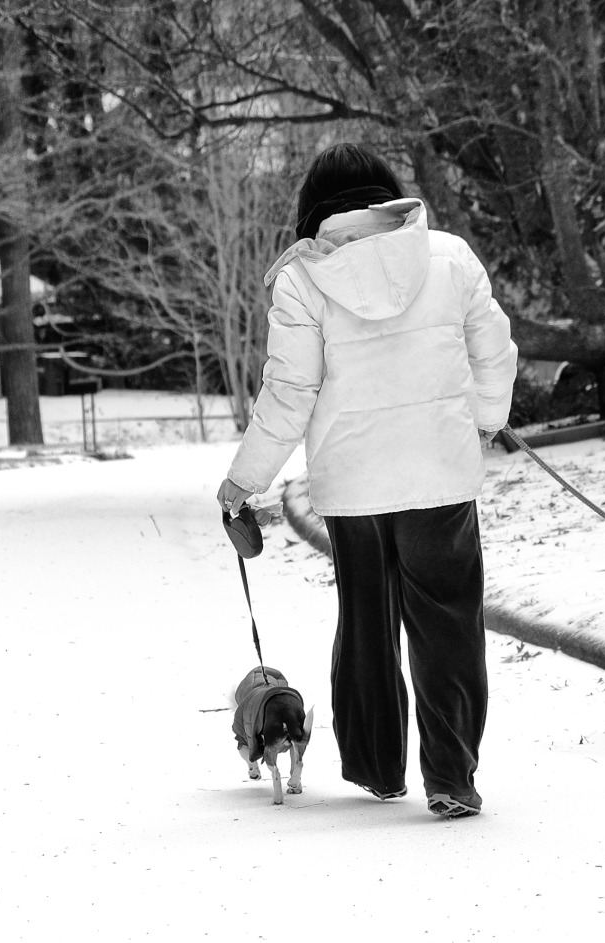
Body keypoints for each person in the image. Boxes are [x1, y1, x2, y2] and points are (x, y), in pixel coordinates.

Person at [216, 142, 517, 818]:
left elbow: (288, 393)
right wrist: (488, 420)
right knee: (447, 626)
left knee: (368, 623)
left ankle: (381, 767)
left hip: (353, 489)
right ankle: (451, 775)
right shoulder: (450, 255)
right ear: (388, 194)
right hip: (440, 480)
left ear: (313, 210)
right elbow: (494, 351)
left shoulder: (302, 280)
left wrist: (243, 481)